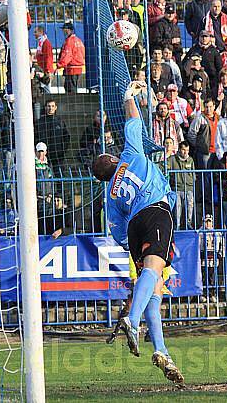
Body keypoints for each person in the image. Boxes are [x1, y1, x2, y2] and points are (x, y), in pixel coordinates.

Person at [91, 81, 184, 383]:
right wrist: (130, 96)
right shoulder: (130, 154)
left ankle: (162, 351)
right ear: (114, 159)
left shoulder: (110, 197)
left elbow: (117, 234)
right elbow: (134, 121)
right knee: (155, 271)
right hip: (156, 211)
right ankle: (132, 320)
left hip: (133, 227)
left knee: (154, 285)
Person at [34, 99, 70, 174]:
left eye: (52, 106)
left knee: (59, 176)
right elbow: (35, 137)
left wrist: (62, 150)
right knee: (45, 178)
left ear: (55, 107)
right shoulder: (39, 122)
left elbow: (66, 137)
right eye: (49, 106)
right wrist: (39, 151)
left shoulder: (60, 122)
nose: (50, 108)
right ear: (45, 107)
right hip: (43, 155)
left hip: (58, 156)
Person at [167, 141, 196, 230]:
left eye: (187, 150)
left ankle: (188, 224)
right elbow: (165, 167)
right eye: (183, 150)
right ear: (179, 149)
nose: (185, 152)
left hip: (189, 188)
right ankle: (177, 226)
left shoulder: (190, 160)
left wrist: (192, 180)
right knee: (177, 209)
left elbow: (193, 173)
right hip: (177, 188)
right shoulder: (172, 159)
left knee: (190, 208)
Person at [56, 22, 85, 94]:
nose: (63, 31)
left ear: (69, 30)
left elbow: (67, 55)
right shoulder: (78, 40)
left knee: (70, 89)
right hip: (78, 67)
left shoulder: (69, 41)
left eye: (65, 29)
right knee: (73, 87)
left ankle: (73, 104)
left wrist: (59, 65)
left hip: (71, 68)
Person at [33, 26, 54, 94]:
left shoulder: (45, 43)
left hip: (45, 71)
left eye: (35, 32)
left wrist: (48, 71)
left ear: (40, 32)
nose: (34, 34)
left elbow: (48, 57)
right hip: (42, 70)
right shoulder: (41, 42)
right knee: (43, 89)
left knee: (46, 89)